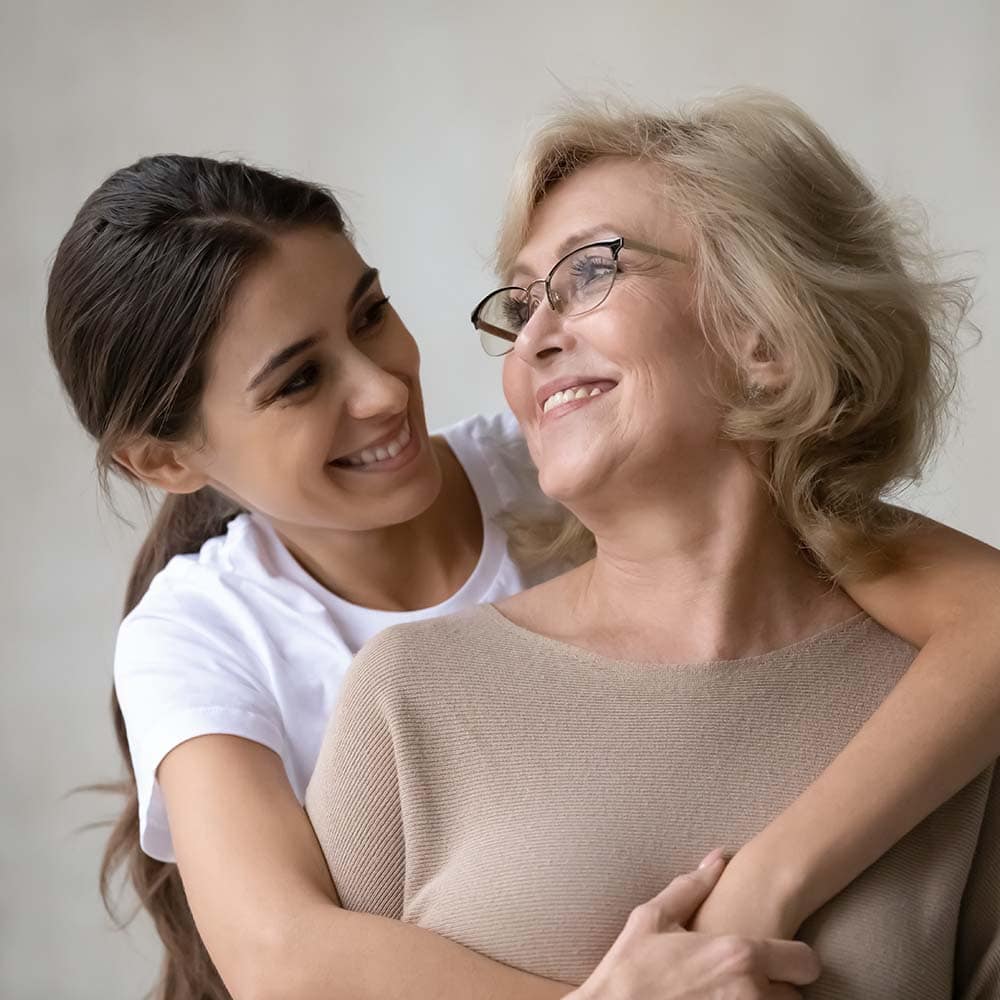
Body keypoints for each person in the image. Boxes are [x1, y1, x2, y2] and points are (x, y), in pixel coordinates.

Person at [46, 134, 998, 1000]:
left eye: (371, 313)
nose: (382, 390)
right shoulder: (205, 635)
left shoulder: (563, 459)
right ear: (168, 463)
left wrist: (764, 886)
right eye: (299, 380)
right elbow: (283, 956)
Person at [305, 92, 1000, 998]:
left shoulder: (951, 713)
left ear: (768, 337)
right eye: (520, 305)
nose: (536, 340)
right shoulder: (412, 694)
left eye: (588, 274)